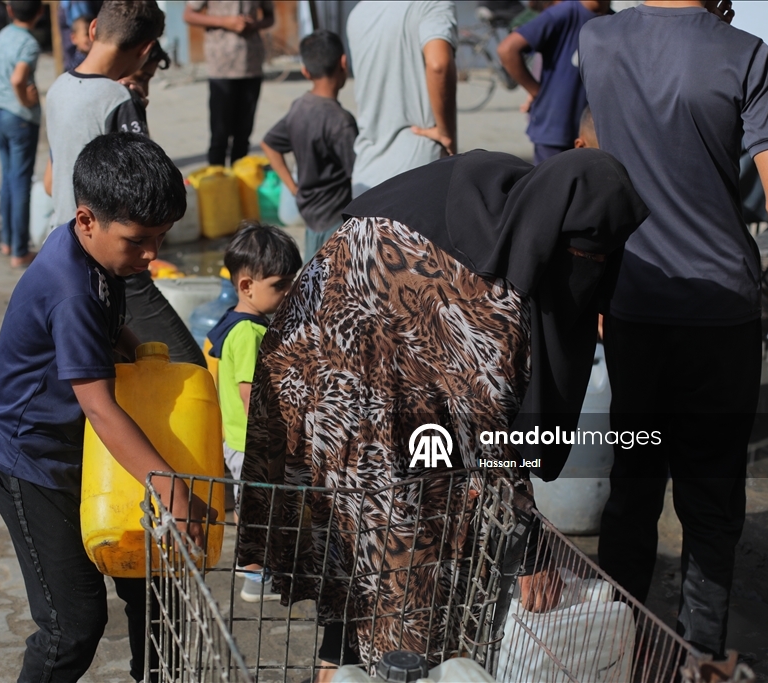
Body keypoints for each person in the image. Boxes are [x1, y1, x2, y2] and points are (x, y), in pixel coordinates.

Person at [235, 148, 649, 672]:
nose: (585, 273)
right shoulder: (486, 301)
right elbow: (492, 439)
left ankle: (353, 656)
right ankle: (382, 662)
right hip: (336, 369)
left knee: (374, 546)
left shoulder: (505, 197)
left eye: (599, 261)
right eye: (580, 257)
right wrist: (529, 549)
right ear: (552, 235)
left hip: (350, 359)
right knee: (399, 553)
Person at [579, 0, 768, 659]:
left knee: (633, 484)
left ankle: (621, 649)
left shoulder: (598, 41)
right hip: (721, 311)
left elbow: (592, 156)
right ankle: (699, 656)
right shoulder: (743, 53)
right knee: (711, 497)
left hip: (634, 303)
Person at [0, 132, 212, 682]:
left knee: (154, 588)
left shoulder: (99, 260)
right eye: (139, 240)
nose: (153, 253)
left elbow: (109, 327)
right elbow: (102, 409)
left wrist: (137, 349)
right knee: (73, 625)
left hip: (87, 450)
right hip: (34, 465)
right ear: (87, 220)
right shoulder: (71, 290)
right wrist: (172, 489)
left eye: (161, 237)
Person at [45, 0, 206, 368]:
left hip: (63, 248)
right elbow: (150, 191)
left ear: (92, 30)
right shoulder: (119, 100)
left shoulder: (58, 88)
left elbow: (48, 182)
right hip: (113, 259)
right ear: (147, 49)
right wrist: (137, 107)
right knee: (186, 367)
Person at [205, 223, 301, 603]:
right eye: (280, 286)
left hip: (241, 441)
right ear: (247, 286)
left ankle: (260, 568)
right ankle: (256, 577)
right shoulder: (249, 334)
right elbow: (253, 396)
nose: (289, 292)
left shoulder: (236, 321)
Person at [260, 30, 357, 262]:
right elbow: (358, 173)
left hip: (310, 216)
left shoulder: (299, 107)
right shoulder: (341, 121)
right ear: (343, 62)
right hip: (336, 220)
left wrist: (294, 188)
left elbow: (269, 144)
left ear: (305, 71)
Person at [346, 1, 457, 197]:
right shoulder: (432, 4)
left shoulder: (358, 12)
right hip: (417, 171)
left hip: (367, 177)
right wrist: (445, 131)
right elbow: (438, 64)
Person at [498, 0, 609, 165]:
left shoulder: (616, 21)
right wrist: (536, 91)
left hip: (597, 134)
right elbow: (507, 50)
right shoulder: (563, 13)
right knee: (552, 187)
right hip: (556, 129)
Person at [183, 1, 275, 167]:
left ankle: (240, 182)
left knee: (244, 134)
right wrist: (224, 21)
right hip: (221, 66)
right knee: (220, 134)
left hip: (251, 65)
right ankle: (217, 182)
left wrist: (255, 24)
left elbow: (270, 17)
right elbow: (189, 15)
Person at [0, 0, 44, 268]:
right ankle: (20, 251)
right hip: (20, 118)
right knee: (21, 181)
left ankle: (8, 241)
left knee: (8, 179)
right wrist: (26, 100)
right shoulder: (29, 43)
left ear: (10, 10)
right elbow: (17, 79)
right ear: (40, 12)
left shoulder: (1, 36)